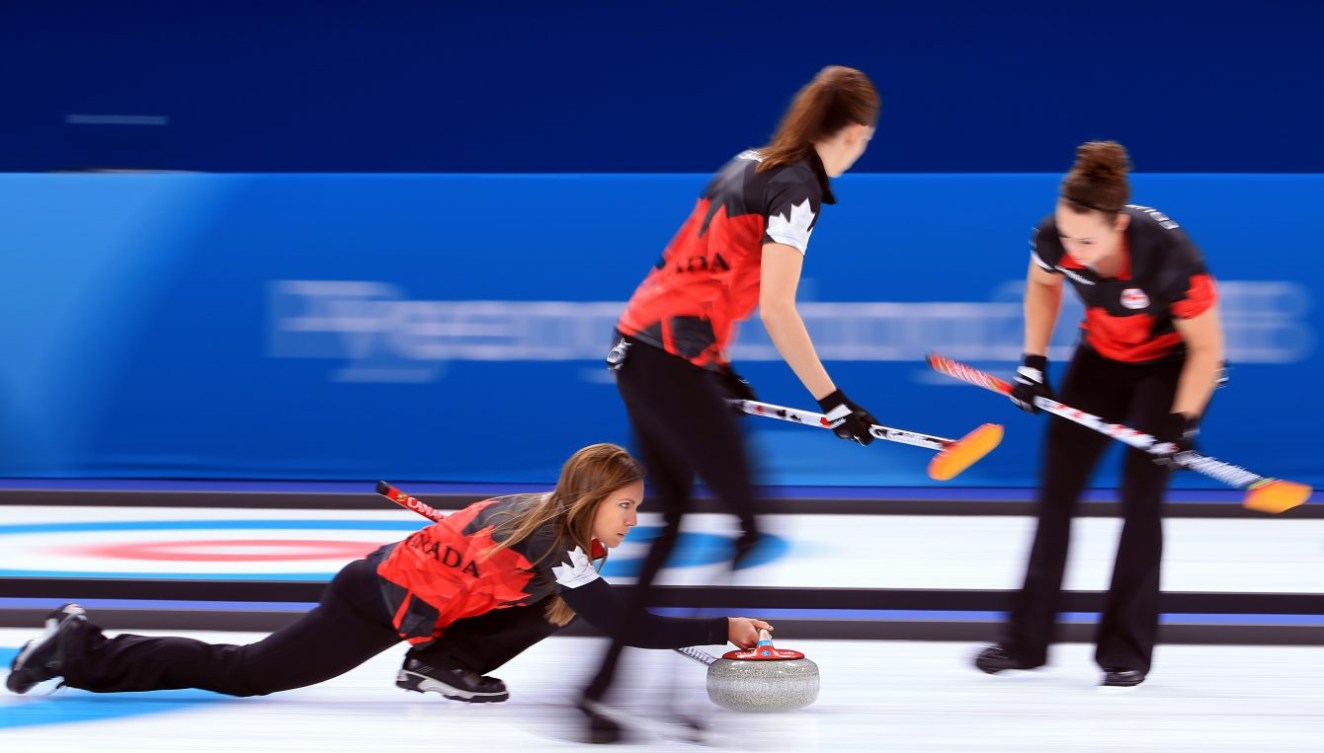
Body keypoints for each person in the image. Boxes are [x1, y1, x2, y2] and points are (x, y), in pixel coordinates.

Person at [5, 443, 773, 708]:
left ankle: (442, 659)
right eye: (628, 506)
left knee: (560, 608)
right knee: (246, 673)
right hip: (370, 601)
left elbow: (596, 606)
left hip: (419, 607)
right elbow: (626, 625)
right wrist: (721, 628)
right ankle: (84, 648)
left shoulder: (550, 525)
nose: (634, 520)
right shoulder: (553, 546)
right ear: (591, 500)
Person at [584, 65, 881, 737]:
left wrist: (718, 366)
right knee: (746, 528)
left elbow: (696, 268)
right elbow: (778, 307)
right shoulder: (799, 188)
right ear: (858, 133)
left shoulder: (750, 161)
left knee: (679, 517)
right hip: (667, 362)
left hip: (639, 347)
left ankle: (601, 688)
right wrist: (834, 401)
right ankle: (664, 688)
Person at [975, 141, 1225, 688]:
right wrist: (1034, 364)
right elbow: (1043, 285)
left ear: (1119, 226)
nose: (1074, 250)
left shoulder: (1171, 259)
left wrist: (1181, 424)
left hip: (1168, 369)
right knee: (1056, 492)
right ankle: (1025, 644)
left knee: (1140, 501)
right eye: (1067, 237)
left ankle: (1125, 651)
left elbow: (1208, 351)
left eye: (1087, 241)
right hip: (1100, 361)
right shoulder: (1054, 239)